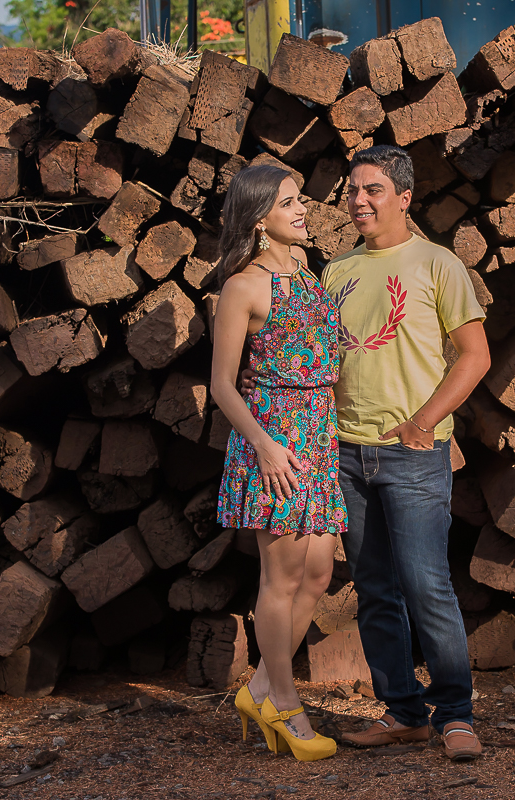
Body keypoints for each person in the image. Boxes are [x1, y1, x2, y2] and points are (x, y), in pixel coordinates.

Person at [246, 145, 491, 760]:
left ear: (405, 197)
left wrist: (425, 420)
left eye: (374, 189)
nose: (359, 200)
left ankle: (455, 715)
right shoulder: (335, 271)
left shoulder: (439, 266)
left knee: (426, 582)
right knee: (375, 588)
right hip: (345, 455)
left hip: (413, 453)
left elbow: (475, 355)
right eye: (353, 190)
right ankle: (403, 711)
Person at [212, 164, 344, 763]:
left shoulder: (313, 278)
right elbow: (221, 385)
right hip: (275, 444)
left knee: (317, 573)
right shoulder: (243, 285)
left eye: (301, 200)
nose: (303, 210)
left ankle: (260, 687)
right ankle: (287, 706)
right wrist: (264, 444)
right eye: (288, 203)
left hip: (317, 435)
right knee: (281, 577)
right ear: (259, 217)